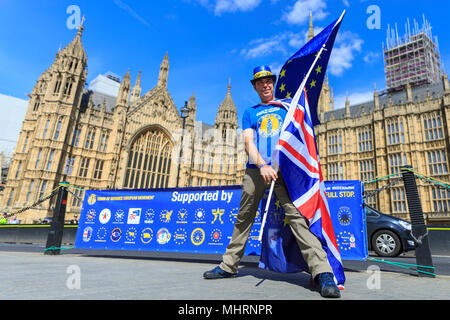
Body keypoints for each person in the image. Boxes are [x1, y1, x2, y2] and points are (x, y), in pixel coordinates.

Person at [203, 65, 341, 298]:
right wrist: (262, 165)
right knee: (244, 217)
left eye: (268, 81)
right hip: (256, 170)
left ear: (273, 84)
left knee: (298, 218)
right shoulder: (250, 112)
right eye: (260, 82)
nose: (265, 85)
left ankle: (322, 272)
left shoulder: (286, 108)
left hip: (284, 171)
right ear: (255, 87)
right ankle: (228, 266)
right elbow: (248, 143)